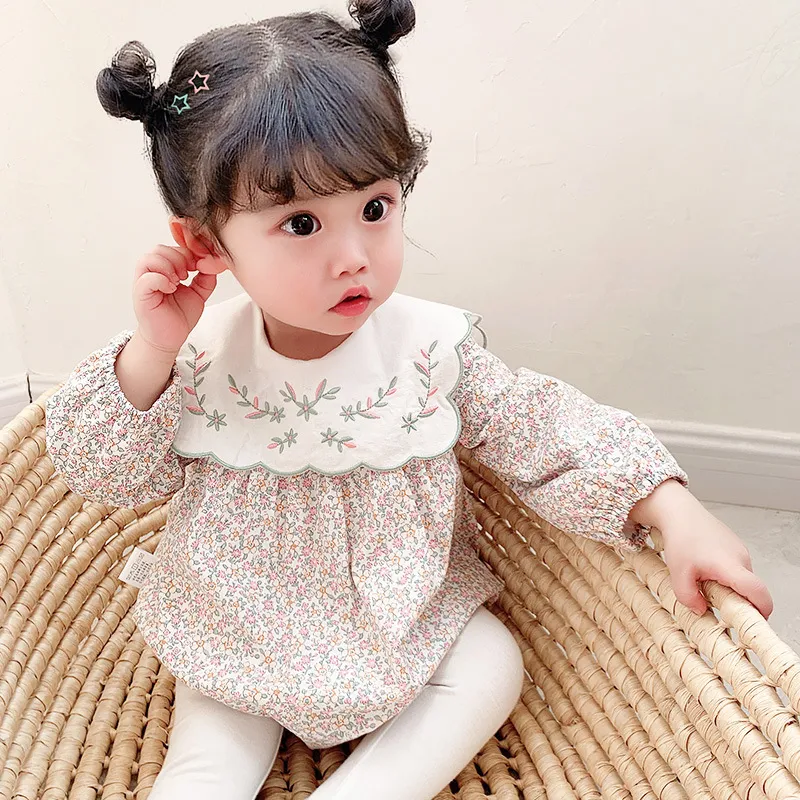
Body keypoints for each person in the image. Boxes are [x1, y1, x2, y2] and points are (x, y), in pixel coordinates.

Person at [45, 1, 773, 797]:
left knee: (490, 663)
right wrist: (151, 350)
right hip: (235, 633)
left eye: (374, 208)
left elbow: (547, 428)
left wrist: (671, 507)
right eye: (300, 225)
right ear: (207, 243)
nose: (353, 257)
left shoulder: (429, 355)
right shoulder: (196, 357)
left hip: (403, 625)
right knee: (207, 761)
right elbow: (101, 473)